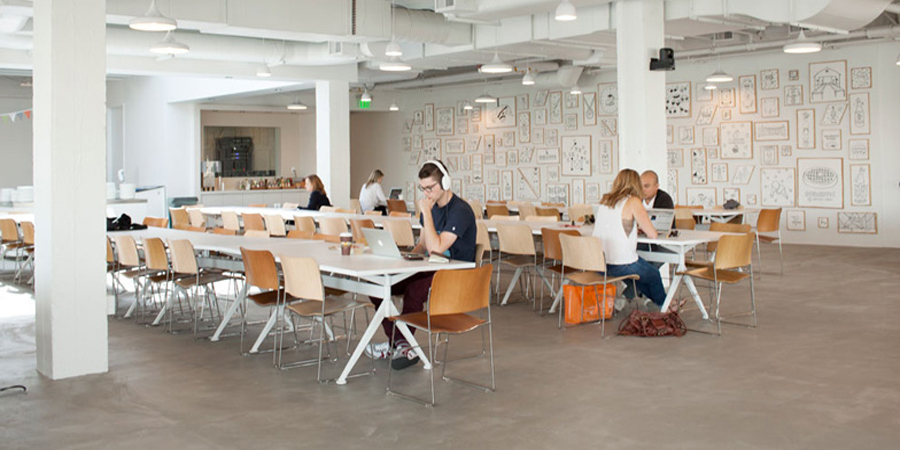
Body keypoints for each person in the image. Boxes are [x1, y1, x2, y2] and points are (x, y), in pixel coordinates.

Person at [365, 160, 477, 370]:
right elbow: (423, 245)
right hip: (432, 267)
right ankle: (400, 343)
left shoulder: (460, 211)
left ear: (445, 182)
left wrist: (426, 213)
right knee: (378, 284)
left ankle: (399, 344)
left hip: (455, 276)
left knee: (414, 290)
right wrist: (402, 261)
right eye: (423, 188)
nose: (426, 194)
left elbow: (436, 248)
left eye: (430, 188)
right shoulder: (432, 208)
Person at [592, 169, 675, 312]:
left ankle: (664, 303)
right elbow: (653, 235)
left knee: (641, 278)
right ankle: (665, 306)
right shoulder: (633, 201)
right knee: (653, 274)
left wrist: (632, 228)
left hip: (600, 263)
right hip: (621, 263)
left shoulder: (605, 201)